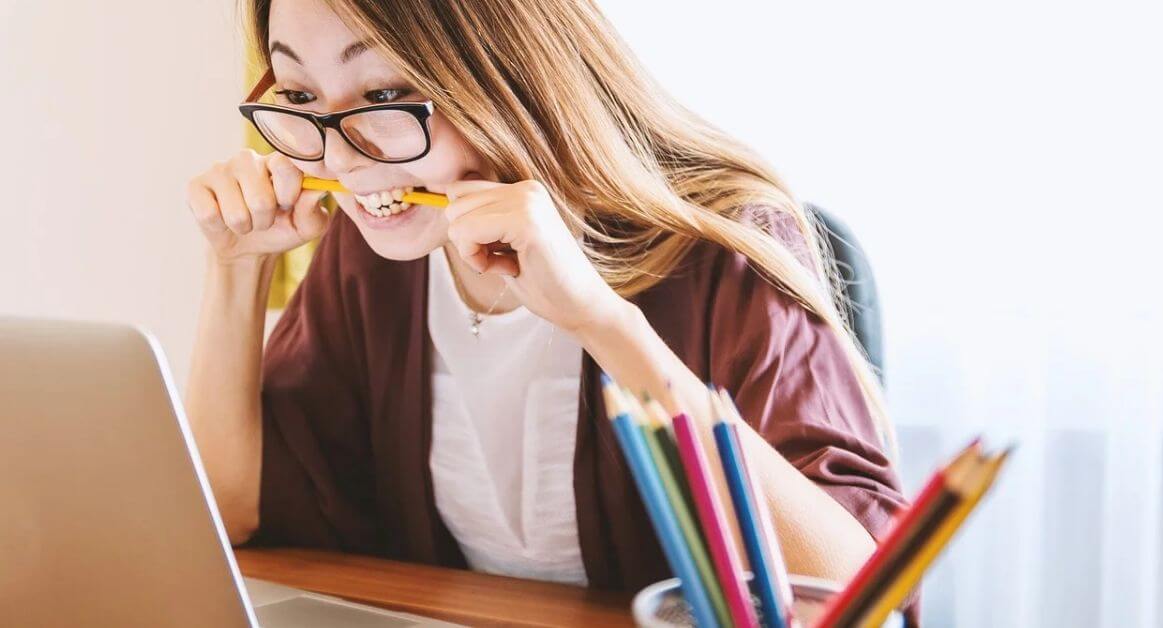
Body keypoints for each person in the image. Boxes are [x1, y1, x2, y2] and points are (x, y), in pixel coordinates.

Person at [185, 0, 908, 599]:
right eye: (300, 96)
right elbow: (229, 513)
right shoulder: (375, 253)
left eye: (384, 95)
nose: (340, 159)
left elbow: (858, 592)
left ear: (509, 74)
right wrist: (236, 269)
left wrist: (601, 322)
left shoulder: (724, 244)